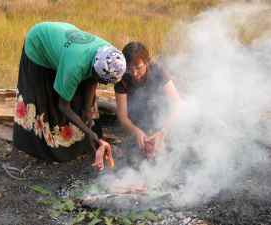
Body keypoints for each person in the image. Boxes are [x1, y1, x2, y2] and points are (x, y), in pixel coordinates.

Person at [13, 22, 126, 167]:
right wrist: (89, 132)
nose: (103, 84)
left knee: (83, 102)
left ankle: (84, 145)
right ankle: (43, 151)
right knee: (45, 102)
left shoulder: (109, 54)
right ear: (95, 68)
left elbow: (92, 81)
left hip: (62, 39)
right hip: (39, 44)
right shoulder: (75, 67)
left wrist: (87, 111)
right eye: (103, 81)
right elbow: (63, 106)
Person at [114, 41, 181, 159]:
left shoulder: (157, 71)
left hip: (162, 119)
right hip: (137, 123)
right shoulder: (122, 79)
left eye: (138, 67)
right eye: (129, 69)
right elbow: (123, 116)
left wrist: (163, 132)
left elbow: (177, 103)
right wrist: (136, 131)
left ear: (147, 62)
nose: (134, 73)